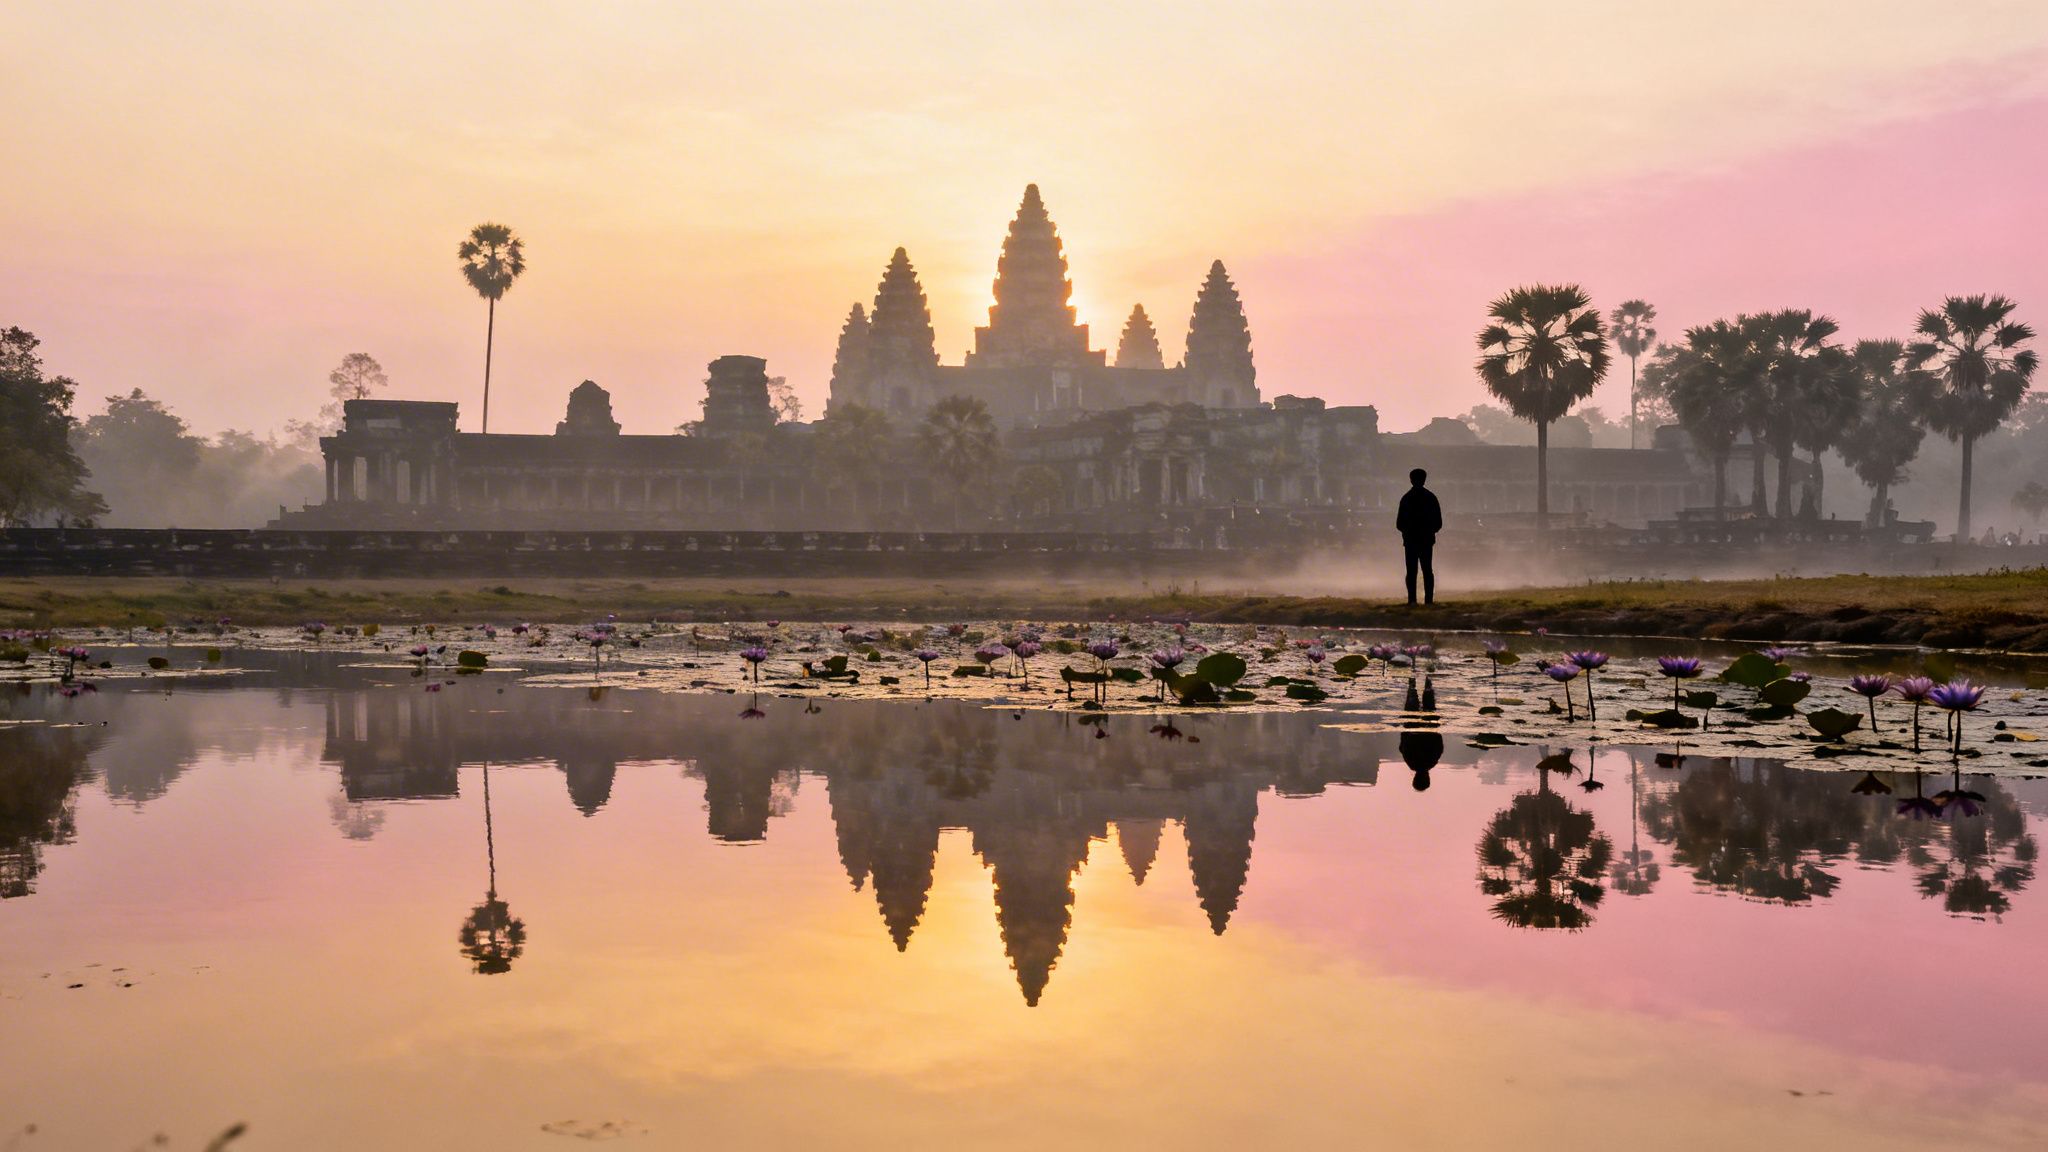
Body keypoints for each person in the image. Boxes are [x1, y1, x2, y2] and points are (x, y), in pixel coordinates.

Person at [1394, 467, 1442, 606]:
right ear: (1424, 479)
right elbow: (1438, 522)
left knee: (1411, 571)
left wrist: (1408, 532)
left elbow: (1399, 523)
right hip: (1426, 540)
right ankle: (1428, 600)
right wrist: (1429, 531)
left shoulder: (1406, 499)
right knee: (1427, 570)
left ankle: (1412, 600)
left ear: (1411, 480)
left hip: (1410, 540)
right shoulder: (1431, 498)